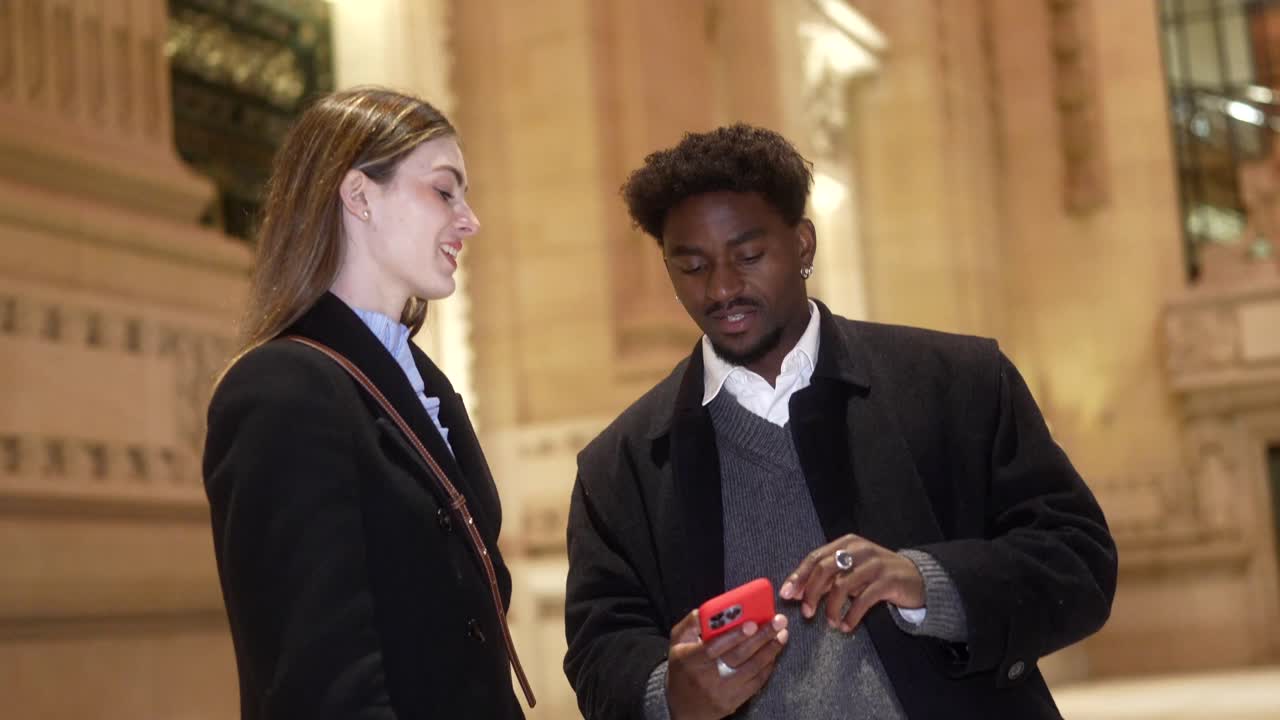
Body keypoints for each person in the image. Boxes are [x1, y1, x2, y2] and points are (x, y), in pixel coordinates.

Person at [563, 123, 1117, 719]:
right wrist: (667, 695)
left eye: (749, 256)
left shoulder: (959, 383)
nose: (722, 288)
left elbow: (1078, 560)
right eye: (692, 267)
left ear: (803, 245)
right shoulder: (620, 466)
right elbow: (599, 651)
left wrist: (926, 581)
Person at [203, 87, 532, 720]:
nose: (470, 219)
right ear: (358, 195)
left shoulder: (424, 382)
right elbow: (319, 683)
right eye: (445, 189)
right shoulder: (281, 391)